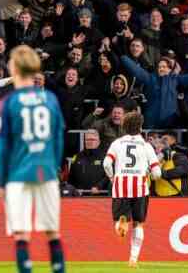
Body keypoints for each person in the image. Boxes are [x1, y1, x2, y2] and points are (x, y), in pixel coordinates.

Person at [0, 45, 66, 273]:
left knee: (21, 234)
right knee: (52, 231)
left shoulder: (8, 102)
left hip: (17, 172)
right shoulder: (51, 100)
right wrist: (53, 167)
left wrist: (1, 181)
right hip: (45, 170)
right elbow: (58, 139)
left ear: (14, 67)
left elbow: (3, 146)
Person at [102, 112, 162, 268]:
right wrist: (149, 173)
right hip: (140, 189)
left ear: (124, 126)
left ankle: (121, 221)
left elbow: (106, 164)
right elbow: (157, 173)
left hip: (121, 187)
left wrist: (112, 177)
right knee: (138, 224)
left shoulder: (117, 143)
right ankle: (133, 259)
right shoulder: (147, 146)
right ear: (141, 127)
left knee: (119, 221)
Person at [68, 129, 109, 194]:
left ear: (99, 142)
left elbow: (109, 176)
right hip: (79, 197)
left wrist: (99, 186)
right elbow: (71, 178)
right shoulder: (77, 157)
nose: (90, 142)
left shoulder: (105, 157)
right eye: (87, 139)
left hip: (99, 196)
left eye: (93, 139)